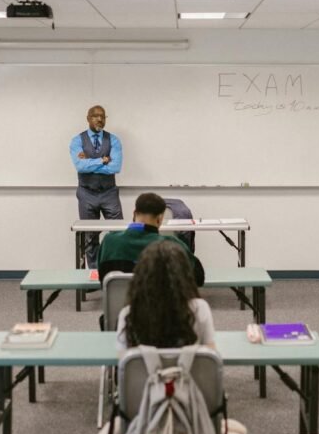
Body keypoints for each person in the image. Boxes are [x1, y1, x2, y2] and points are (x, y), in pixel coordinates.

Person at [116, 240, 215, 351]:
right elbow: (210, 357)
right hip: (189, 368)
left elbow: (124, 362)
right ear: (185, 275)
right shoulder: (199, 309)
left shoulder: (129, 314)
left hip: (143, 369)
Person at [98, 192, 205, 286]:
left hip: (122, 307)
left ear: (134, 214)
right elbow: (198, 278)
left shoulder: (109, 242)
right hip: (161, 308)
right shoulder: (172, 245)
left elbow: (103, 279)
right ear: (160, 219)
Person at [70, 105, 124, 268]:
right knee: (90, 236)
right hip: (86, 193)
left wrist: (89, 162)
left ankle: (116, 270)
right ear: (87, 118)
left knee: (118, 233)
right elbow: (80, 167)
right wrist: (102, 160)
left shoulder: (113, 140)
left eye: (103, 116)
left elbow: (116, 167)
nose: (99, 119)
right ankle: (93, 273)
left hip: (109, 193)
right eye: (95, 116)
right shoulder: (77, 140)